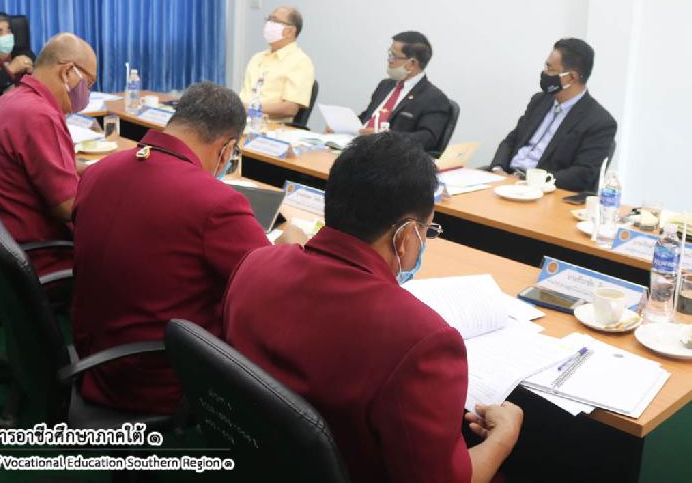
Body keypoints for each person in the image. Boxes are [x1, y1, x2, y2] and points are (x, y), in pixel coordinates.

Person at [224, 133, 524, 482]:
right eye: (427, 232)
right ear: (407, 235)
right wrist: (505, 436)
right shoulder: (423, 339)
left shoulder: (255, 263)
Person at [71, 82, 306, 414]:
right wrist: (291, 247)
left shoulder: (98, 171)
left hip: (93, 355)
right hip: (157, 377)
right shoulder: (216, 202)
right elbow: (271, 288)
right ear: (226, 149)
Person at [0, 33, 97, 278]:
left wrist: (101, 170)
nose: (87, 93)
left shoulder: (12, 99)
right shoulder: (39, 115)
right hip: (36, 257)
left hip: (2, 247)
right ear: (67, 72)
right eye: (88, 83)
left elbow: (57, 165)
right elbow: (68, 207)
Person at [490, 38, 617, 192]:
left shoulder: (600, 122)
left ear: (571, 77)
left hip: (543, 191)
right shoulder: (539, 101)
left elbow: (583, 173)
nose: (544, 73)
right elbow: (512, 139)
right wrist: (498, 169)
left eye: (550, 69)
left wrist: (530, 182)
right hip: (506, 180)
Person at [358, 31, 452, 154]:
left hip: (389, 156)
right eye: (389, 54)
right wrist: (341, 126)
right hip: (358, 147)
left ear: (412, 63)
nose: (389, 60)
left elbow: (428, 138)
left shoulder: (434, 98)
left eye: (394, 56)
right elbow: (367, 117)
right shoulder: (385, 85)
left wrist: (386, 138)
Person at [239, 6, 315, 123]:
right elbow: (245, 96)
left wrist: (250, 109)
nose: (268, 24)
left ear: (290, 31)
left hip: (271, 127)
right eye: (268, 19)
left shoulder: (300, 61)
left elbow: (290, 108)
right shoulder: (257, 58)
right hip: (240, 122)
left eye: (274, 20)